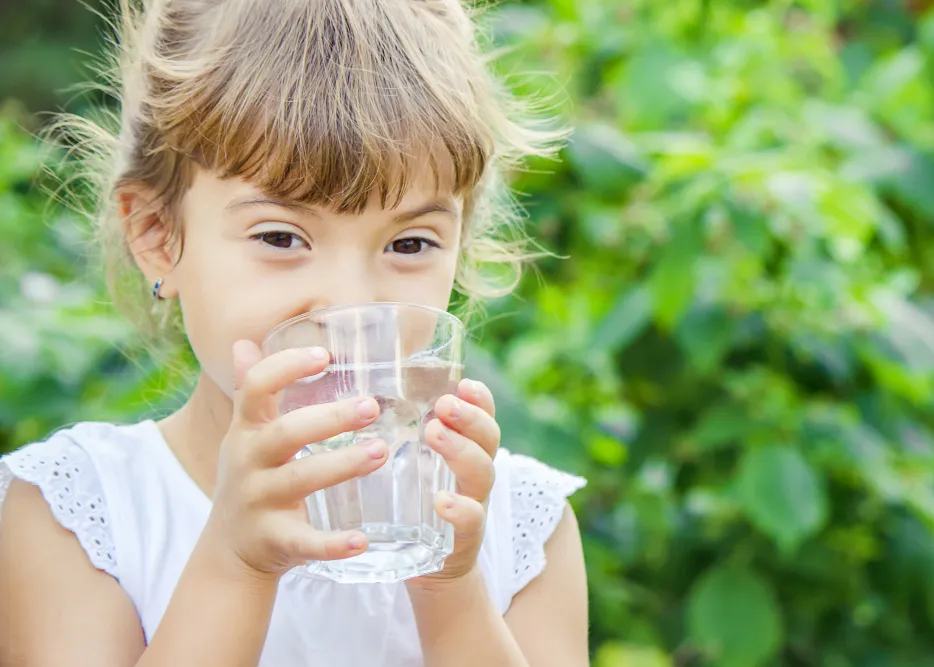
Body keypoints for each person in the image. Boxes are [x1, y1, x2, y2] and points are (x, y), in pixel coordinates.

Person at [0, 1, 589, 665]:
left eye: (411, 242)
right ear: (158, 236)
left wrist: (450, 586)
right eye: (281, 236)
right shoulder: (81, 515)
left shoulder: (520, 524)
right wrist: (235, 563)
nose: (351, 303)